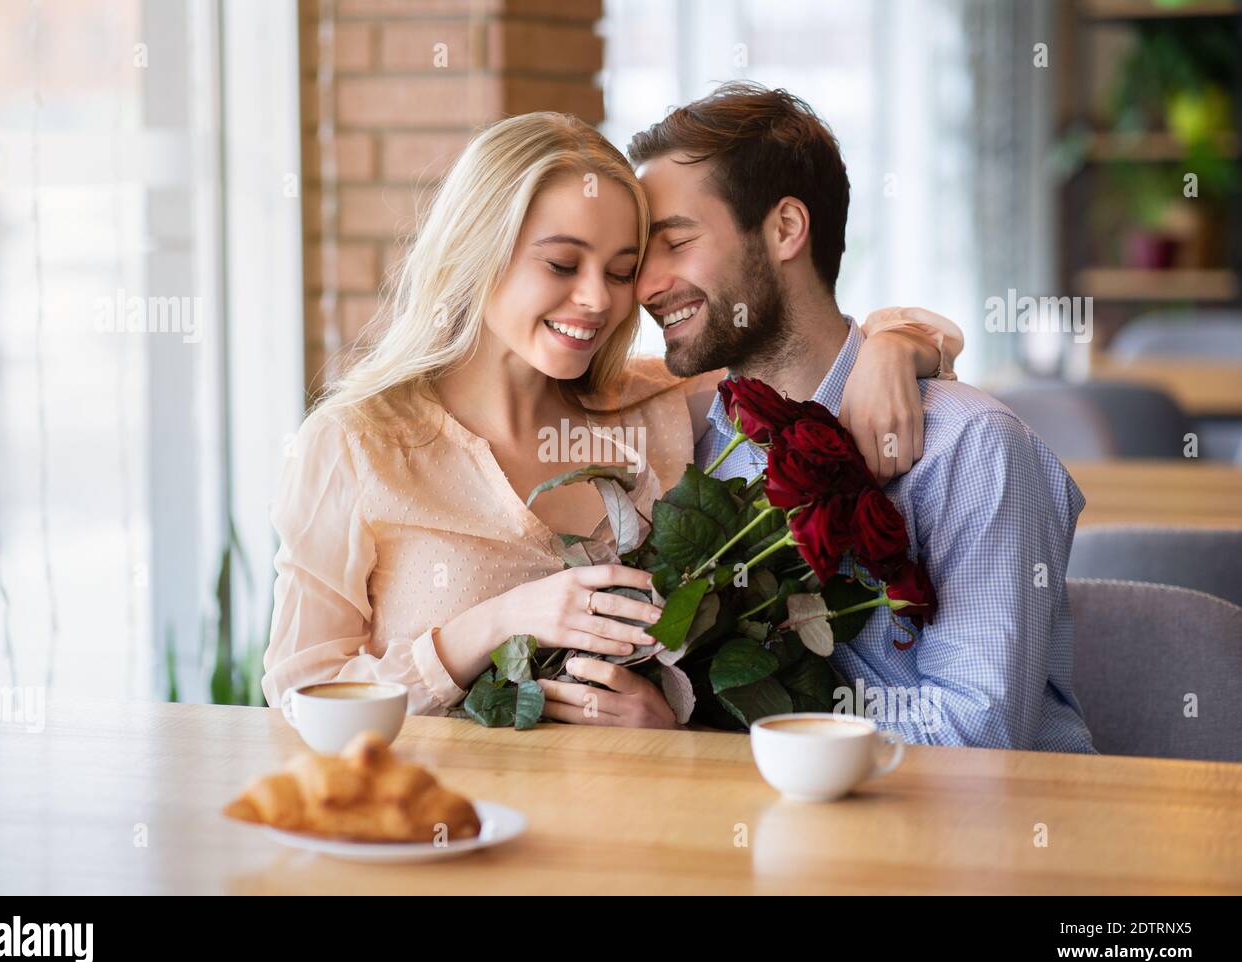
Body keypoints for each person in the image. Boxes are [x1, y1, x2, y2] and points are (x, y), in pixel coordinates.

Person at [261, 110, 960, 730]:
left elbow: (812, 346)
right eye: (562, 263)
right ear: (476, 251)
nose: (597, 299)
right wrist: (489, 626)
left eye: (622, 271)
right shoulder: (355, 445)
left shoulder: (660, 403)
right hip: (434, 844)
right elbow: (300, 695)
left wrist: (895, 349)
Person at [628, 82, 1095, 751]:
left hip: (992, 833)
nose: (647, 286)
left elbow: (975, 736)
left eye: (676, 243)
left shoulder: (971, 445)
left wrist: (698, 728)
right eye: (640, 258)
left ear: (786, 229)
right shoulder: (689, 441)